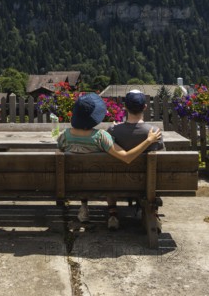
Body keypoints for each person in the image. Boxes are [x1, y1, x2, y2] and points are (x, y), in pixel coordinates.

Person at [57, 92, 162, 225]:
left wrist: (114, 128)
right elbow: (126, 157)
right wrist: (149, 140)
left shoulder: (64, 136)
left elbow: (60, 152)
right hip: (107, 182)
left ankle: (87, 207)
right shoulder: (101, 137)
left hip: (77, 184)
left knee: (82, 172)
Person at [106, 89, 165, 230]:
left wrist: (114, 129)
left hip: (116, 184)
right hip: (146, 184)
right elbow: (161, 164)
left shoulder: (112, 131)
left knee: (110, 172)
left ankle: (113, 212)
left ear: (125, 107)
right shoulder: (155, 132)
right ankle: (153, 212)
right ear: (145, 107)